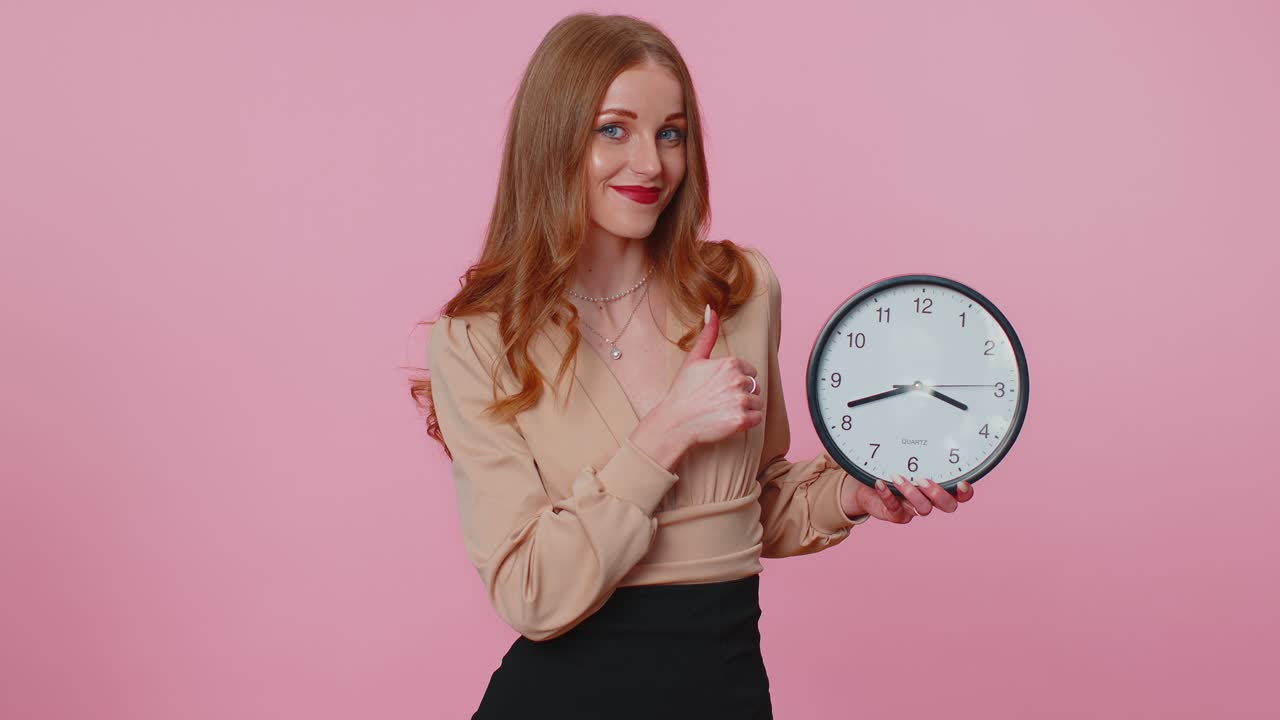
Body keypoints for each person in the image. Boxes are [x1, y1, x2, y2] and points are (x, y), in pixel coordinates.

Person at [415, 12, 975, 719]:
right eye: (612, 129)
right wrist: (665, 430)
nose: (651, 164)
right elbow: (531, 593)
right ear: (551, 140)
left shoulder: (739, 290)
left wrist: (852, 496)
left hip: (725, 691)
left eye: (670, 133)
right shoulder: (478, 338)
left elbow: (751, 503)